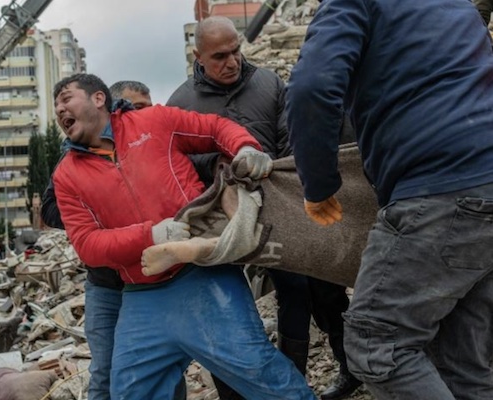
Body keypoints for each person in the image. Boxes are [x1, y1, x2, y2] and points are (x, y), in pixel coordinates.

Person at [51, 72, 317, 400]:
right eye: (55, 106)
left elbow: (215, 129)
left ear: (98, 98)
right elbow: (88, 245)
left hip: (201, 277)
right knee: (130, 392)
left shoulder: (154, 121)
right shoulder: (67, 175)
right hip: (144, 296)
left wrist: (245, 147)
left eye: (65, 98)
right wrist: (150, 235)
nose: (60, 109)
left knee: (257, 370)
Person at [285, 0, 493, 399]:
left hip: (438, 189)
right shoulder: (456, 7)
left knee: (375, 344)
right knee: (462, 364)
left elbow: (311, 87)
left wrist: (318, 185)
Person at [167, 15, 360, 400]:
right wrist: (220, 167)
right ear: (198, 56)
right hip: (227, 220)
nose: (232, 62)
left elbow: (293, 142)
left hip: (286, 206)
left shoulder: (268, 83)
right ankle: (283, 386)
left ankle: (346, 369)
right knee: (244, 302)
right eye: (220, 56)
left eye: (236, 51)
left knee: (319, 289)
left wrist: (277, 172)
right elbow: (181, 163)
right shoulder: (182, 103)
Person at [41, 80, 187, 400]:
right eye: (132, 108)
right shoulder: (79, 160)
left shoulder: (152, 139)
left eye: (144, 108)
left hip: (161, 280)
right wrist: (104, 216)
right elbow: (50, 209)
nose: (138, 116)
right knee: (106, 373)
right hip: (108, 285)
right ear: (107, 105)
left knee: (166, 368)